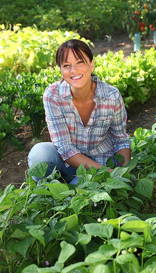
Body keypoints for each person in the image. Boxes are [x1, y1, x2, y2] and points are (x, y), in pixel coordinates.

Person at [28, 39, 131, 184]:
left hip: (103, 161)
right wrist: (106, 173)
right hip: (70, 164)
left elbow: (121, 139)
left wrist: (121, 173)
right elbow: (64, 146)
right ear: (61, 70)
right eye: (67, 65)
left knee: (83, 193)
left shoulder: (111, 96)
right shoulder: (53, 95)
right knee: (40, 153)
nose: (74, 71)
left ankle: (68, 190)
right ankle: (51, 191)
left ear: (91, 64)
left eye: (80, 62)